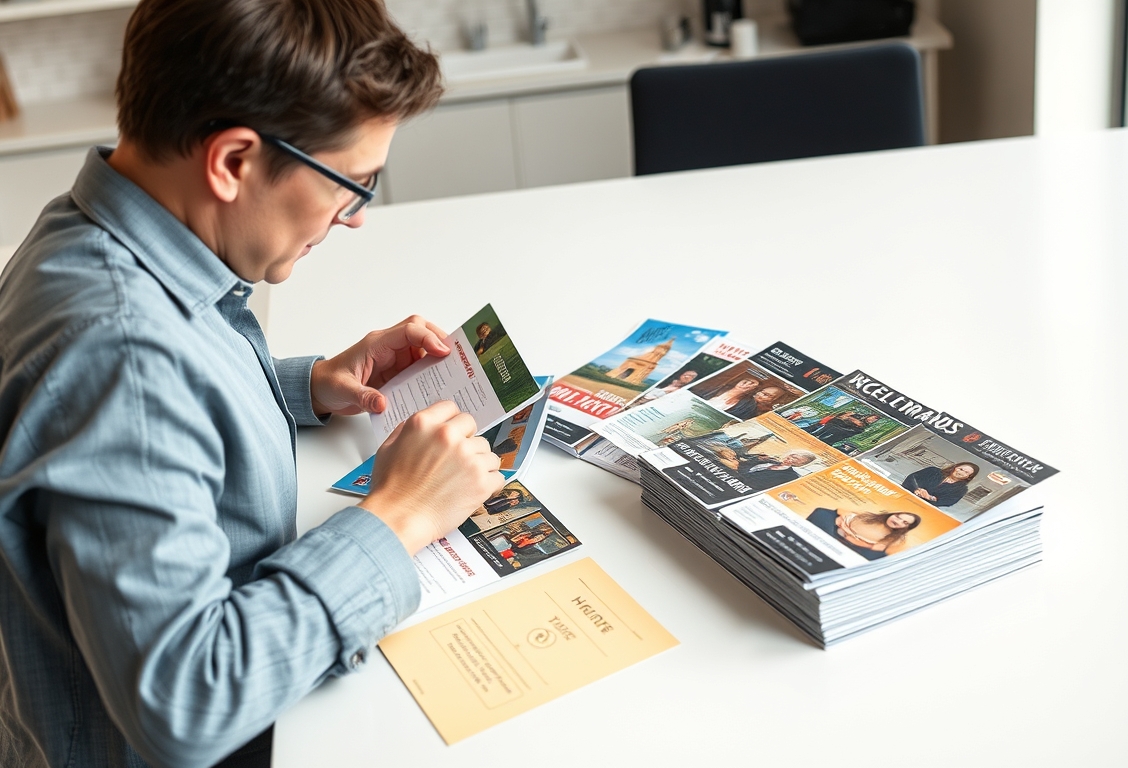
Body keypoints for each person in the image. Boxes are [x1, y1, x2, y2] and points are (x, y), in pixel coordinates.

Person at [0, 2, 506, 766]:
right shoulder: (121, 357)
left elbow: (156, 413)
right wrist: (397, 518)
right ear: (234, 161)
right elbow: (187, 703)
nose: (355, 217)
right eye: (352, 182)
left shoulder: (91, 233)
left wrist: (302, 385)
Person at [805, 508, 922, 560]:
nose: (897, 521)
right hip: (836, 532)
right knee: (823, 513)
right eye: (897, 516)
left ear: (907, 527)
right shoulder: (871, 516)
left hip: (853, 549)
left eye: (904, 522)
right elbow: (842, 514)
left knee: (877, 557)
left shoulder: (898, 541)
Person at [902, 462, 980, 507]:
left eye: (966, 472)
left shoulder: (961, 489)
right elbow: (912, 477)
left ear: (969, 477)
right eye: (961, 469)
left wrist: (929, 497)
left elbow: (948, 502)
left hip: (922, 507)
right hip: (904, 495)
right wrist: (916, 489)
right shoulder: (933, 471)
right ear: (955, 467)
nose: (961, 472)